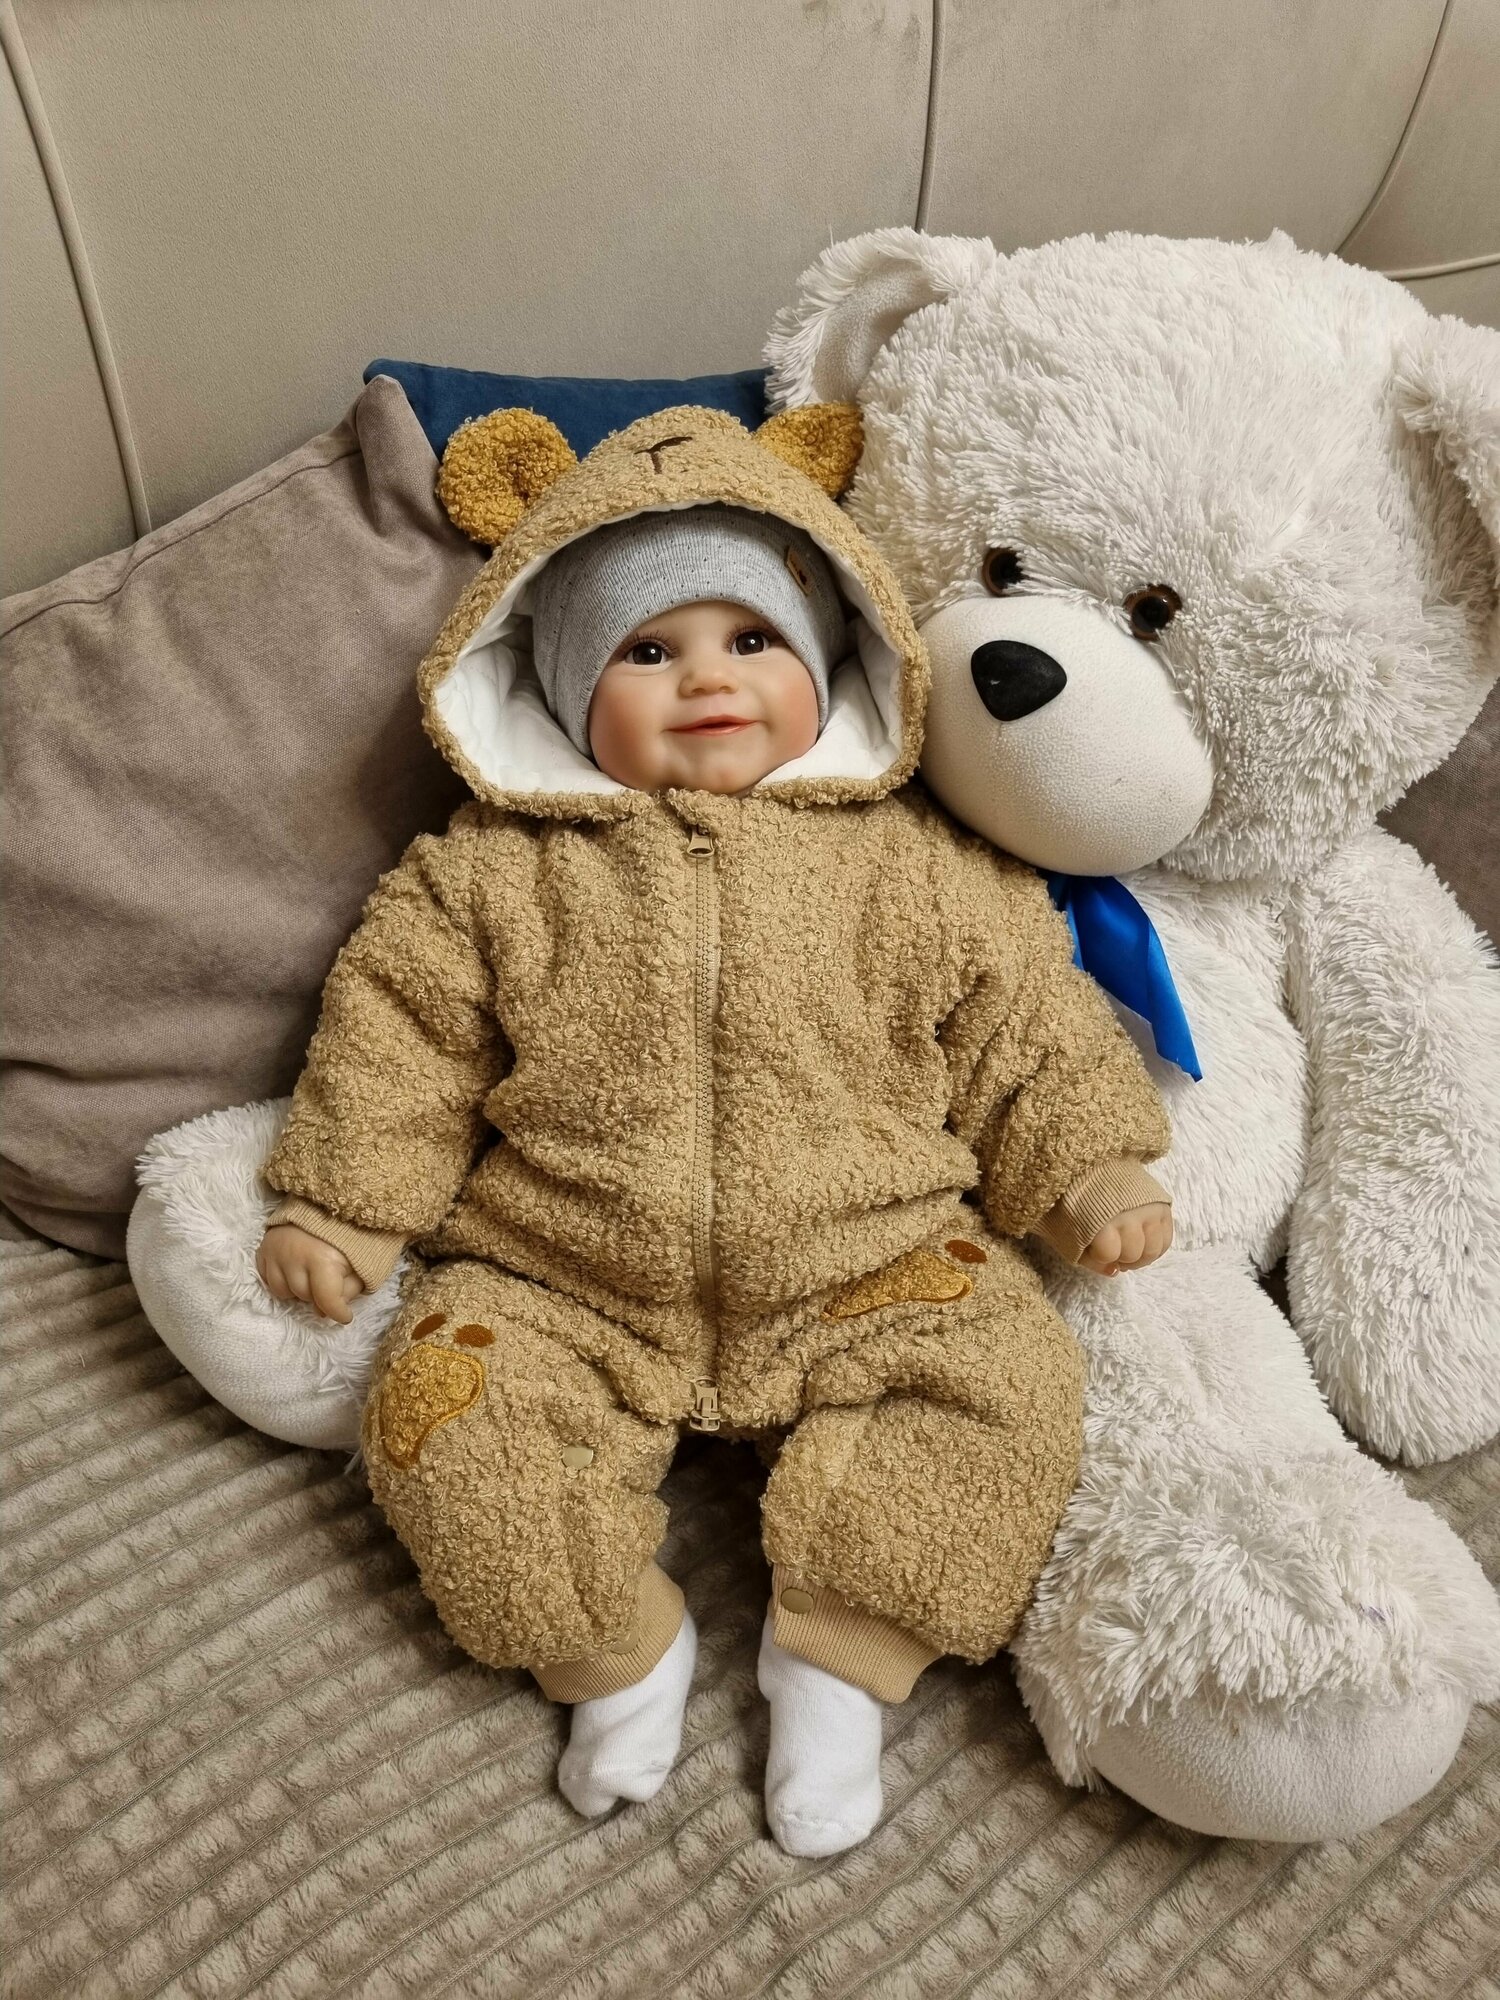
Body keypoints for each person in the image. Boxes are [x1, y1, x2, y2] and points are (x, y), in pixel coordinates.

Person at [253, 404, 1173, 1856]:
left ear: (827, 657)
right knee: (441, 1412)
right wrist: (349, 1202)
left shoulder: (912, 863)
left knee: (1010, 1378)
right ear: (566, 692)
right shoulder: (490, 875)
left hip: (872, 1261)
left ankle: (841, 1660)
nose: (708, 680)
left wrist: (1089, 1163)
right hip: (565, 1272)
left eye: (752, 640)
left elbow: (1024, 1020)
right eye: (647, 651)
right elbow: (400, 1034)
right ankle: (612, 1650)